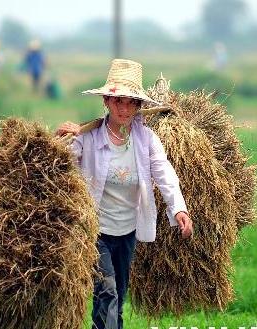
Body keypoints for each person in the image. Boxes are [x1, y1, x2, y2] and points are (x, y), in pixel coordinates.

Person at [55, 59, 193, 329]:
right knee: (107, 293)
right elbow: (60, 165)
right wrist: (60, 139)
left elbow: (164, 173)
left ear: (139, 106)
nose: (124, 108)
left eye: (131, 102)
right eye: (118, 101)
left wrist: (179, 209)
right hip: (96, 231)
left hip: (127, 231)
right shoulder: (88, 138)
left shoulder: (146, 139)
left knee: (116, 298)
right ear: (106, 101)